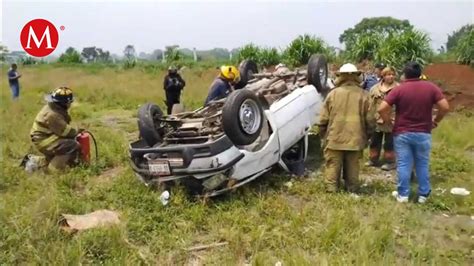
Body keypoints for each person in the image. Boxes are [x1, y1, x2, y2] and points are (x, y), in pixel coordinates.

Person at [378, 62, 449, 203]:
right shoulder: (431, 87)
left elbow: (381, 109)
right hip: (423, 132)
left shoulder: (399, 89)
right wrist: (436, 120)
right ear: (419, 73)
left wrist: (389, 122)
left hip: (402, 132)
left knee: (404, 164)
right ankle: (423, 195)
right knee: (422, 163)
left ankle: (403, 195)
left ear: (405, 75)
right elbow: (445, 107)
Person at [318, 63, 375, 193]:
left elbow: (322, 120)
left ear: (340, 76)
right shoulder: (364, 95)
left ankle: (331, 190)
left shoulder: (333, 94)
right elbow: (371, 120)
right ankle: (352, 189)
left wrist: (323, 135)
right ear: (357, 76)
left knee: (333, 165)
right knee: (353, 166)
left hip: (334, 138)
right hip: (356, 139)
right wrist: (368, 135)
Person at [30, 87, 83, 172]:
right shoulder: (52, 115)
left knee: (68, 144)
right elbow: (67, 132)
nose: (70, 104)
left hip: (46, 136)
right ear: (64, 103)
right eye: (69, 102)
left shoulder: (53, 107)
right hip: (44, 140)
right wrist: (77, 130)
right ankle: (54, 170)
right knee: (71, 145)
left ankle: (36, 162)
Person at [366, 67, 399, 170]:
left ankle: (390, 161)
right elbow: (370, 104)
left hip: (392, 120)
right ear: (383, 76)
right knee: (375, 141)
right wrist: (369, 118)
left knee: (390, 142)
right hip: (377, 119)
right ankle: (373, 159)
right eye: (388, 74)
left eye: (392, 74)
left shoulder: (398, 88)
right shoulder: (375, 88)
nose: (391, 76)